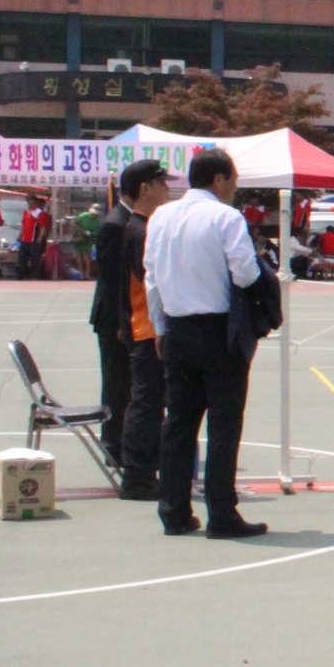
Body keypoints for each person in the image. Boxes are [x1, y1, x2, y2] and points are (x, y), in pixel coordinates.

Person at [145, 148, 269, 539]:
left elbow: (152, 277)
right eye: (233, 179)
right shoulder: (225, 217)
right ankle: (222, 513)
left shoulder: (161, 216)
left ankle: (174, 511)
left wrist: (160, 327)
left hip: (177, 327)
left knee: (178, 424)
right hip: (219, 330)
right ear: (218, 179)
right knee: (223, 426)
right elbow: (245, 273)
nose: (234, 187)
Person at [117, 162, 175, 502]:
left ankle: (144, 472)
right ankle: (138, 476)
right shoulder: (140, 230)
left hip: (146, 325)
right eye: (161, 183)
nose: (167, 189)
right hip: (147, 327)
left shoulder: (142, 226)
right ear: (145, 188)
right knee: (147, 403)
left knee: (150, 403)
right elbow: (150, 281)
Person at [89, 176, 142, 469]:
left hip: (123, 316)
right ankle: (113, 445)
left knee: (125, 383)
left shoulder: (127, 220)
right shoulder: (115, 224)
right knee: (117, 383)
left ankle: (122, 442)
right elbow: (110, 280)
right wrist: (121, 322)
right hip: (114, 319)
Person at [17, 198, 48, 279]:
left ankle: (36, 275)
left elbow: (42, 226)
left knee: (35, 259)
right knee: (22, 259)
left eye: (31, 200)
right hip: (25, 239)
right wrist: (20, 234)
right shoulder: (26, 212)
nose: (29, 202)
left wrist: (40, 237)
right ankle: (21, 275)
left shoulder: (38, 212)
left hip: (33, 239)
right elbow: (23, 224)